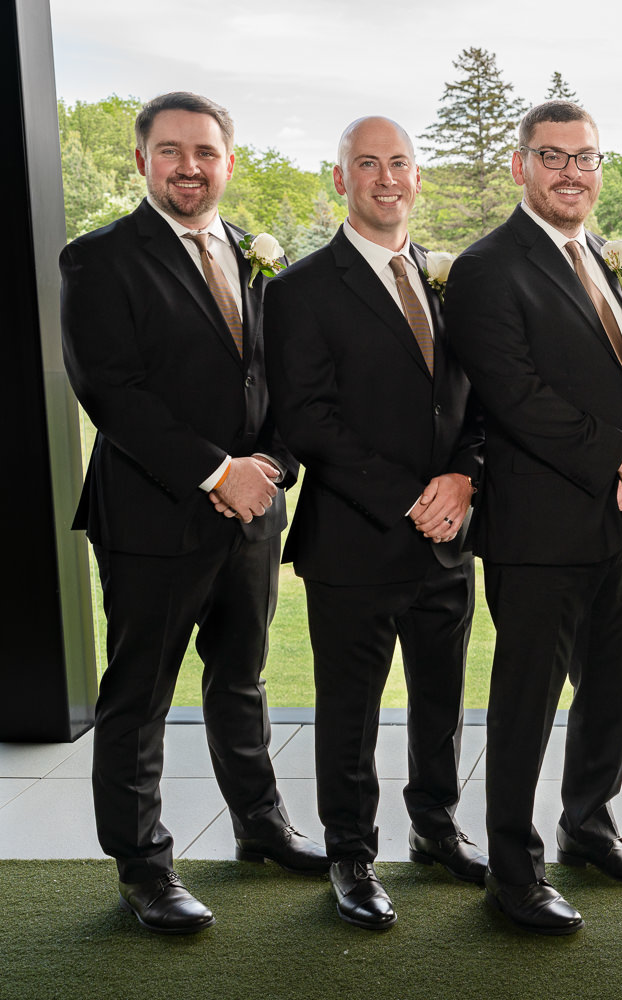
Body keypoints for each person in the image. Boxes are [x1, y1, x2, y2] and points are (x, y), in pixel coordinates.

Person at [59, 91, 324, 934]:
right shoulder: (97, 259)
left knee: (240, 677)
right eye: (169, 151)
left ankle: (259, 826)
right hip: (152, 515)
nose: (188, 166)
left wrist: (271, 467)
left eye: (204, 152)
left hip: (253, 511)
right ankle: (143, 866)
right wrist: (216, 471)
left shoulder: (255, 254)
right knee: (138, 694)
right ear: (141, 161)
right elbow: (113, 391)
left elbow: (286, 378)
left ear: (228, 162)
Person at [444, 100, 622, 936]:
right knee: (527, 703)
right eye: (553, 156)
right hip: (538, 531)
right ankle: (513, 873)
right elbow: (516, 399)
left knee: (609, 691)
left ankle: (589, 825)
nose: (573, 172)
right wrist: (621, 457)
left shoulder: (614, 259)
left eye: (586, 158)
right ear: (520, 166)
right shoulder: (486, 268)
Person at [263, 116, 487, 930]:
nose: (386, 178)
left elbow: (476, 400)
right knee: (349, 712)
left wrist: (462, 479)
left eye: (399, 164)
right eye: (368, 164)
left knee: (442, 698)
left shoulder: (447, 280)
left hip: (448, 538)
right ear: (341, 180)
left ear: (417, 179)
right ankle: (351, 855)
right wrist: (413, 497)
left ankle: (435, 828)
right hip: (356, 541)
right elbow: (309, 418)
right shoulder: (297, 289)